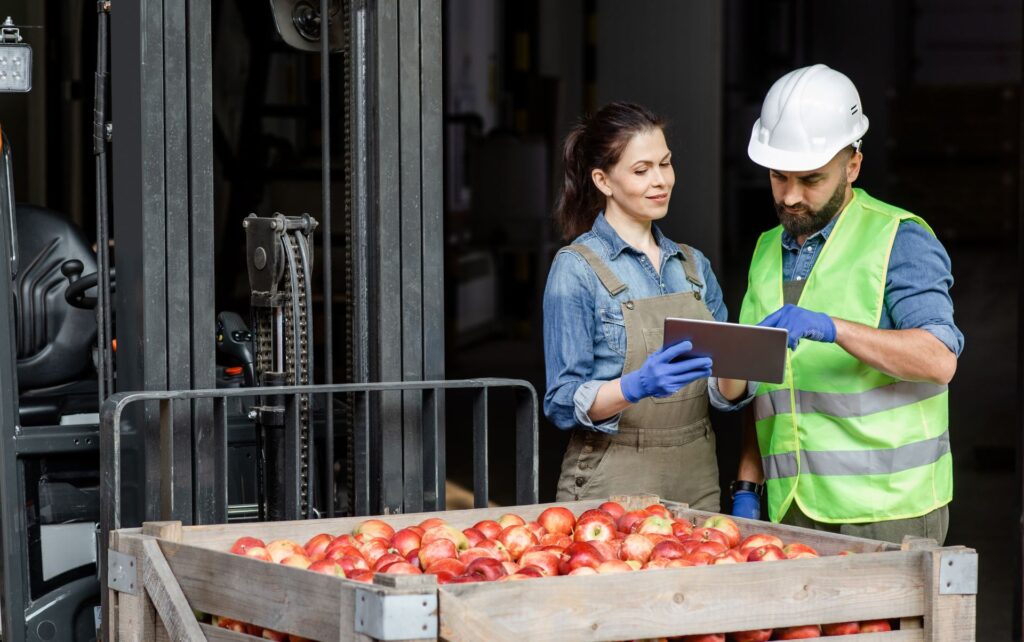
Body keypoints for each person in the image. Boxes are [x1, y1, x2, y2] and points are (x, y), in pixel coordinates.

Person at [719, 65, 963, 544]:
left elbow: (939, 359)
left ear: (852, 165)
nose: (790, 196)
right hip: (788, 507)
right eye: (777, 176)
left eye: (811, 179)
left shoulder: (900, 239)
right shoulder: (768, 248)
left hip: (887, 512)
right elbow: (758, 383)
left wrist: (833, 328)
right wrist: (748, 481)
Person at [543, 102, 734, 510]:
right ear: (603, 180)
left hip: (697, 472)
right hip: (613, 474)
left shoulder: (694, 266)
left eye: (665, 164)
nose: (660, 181)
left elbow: (723, 390)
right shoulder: (576, 269)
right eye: (641, 170)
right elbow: (561, 402)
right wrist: (635, 387)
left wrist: (749, 358)